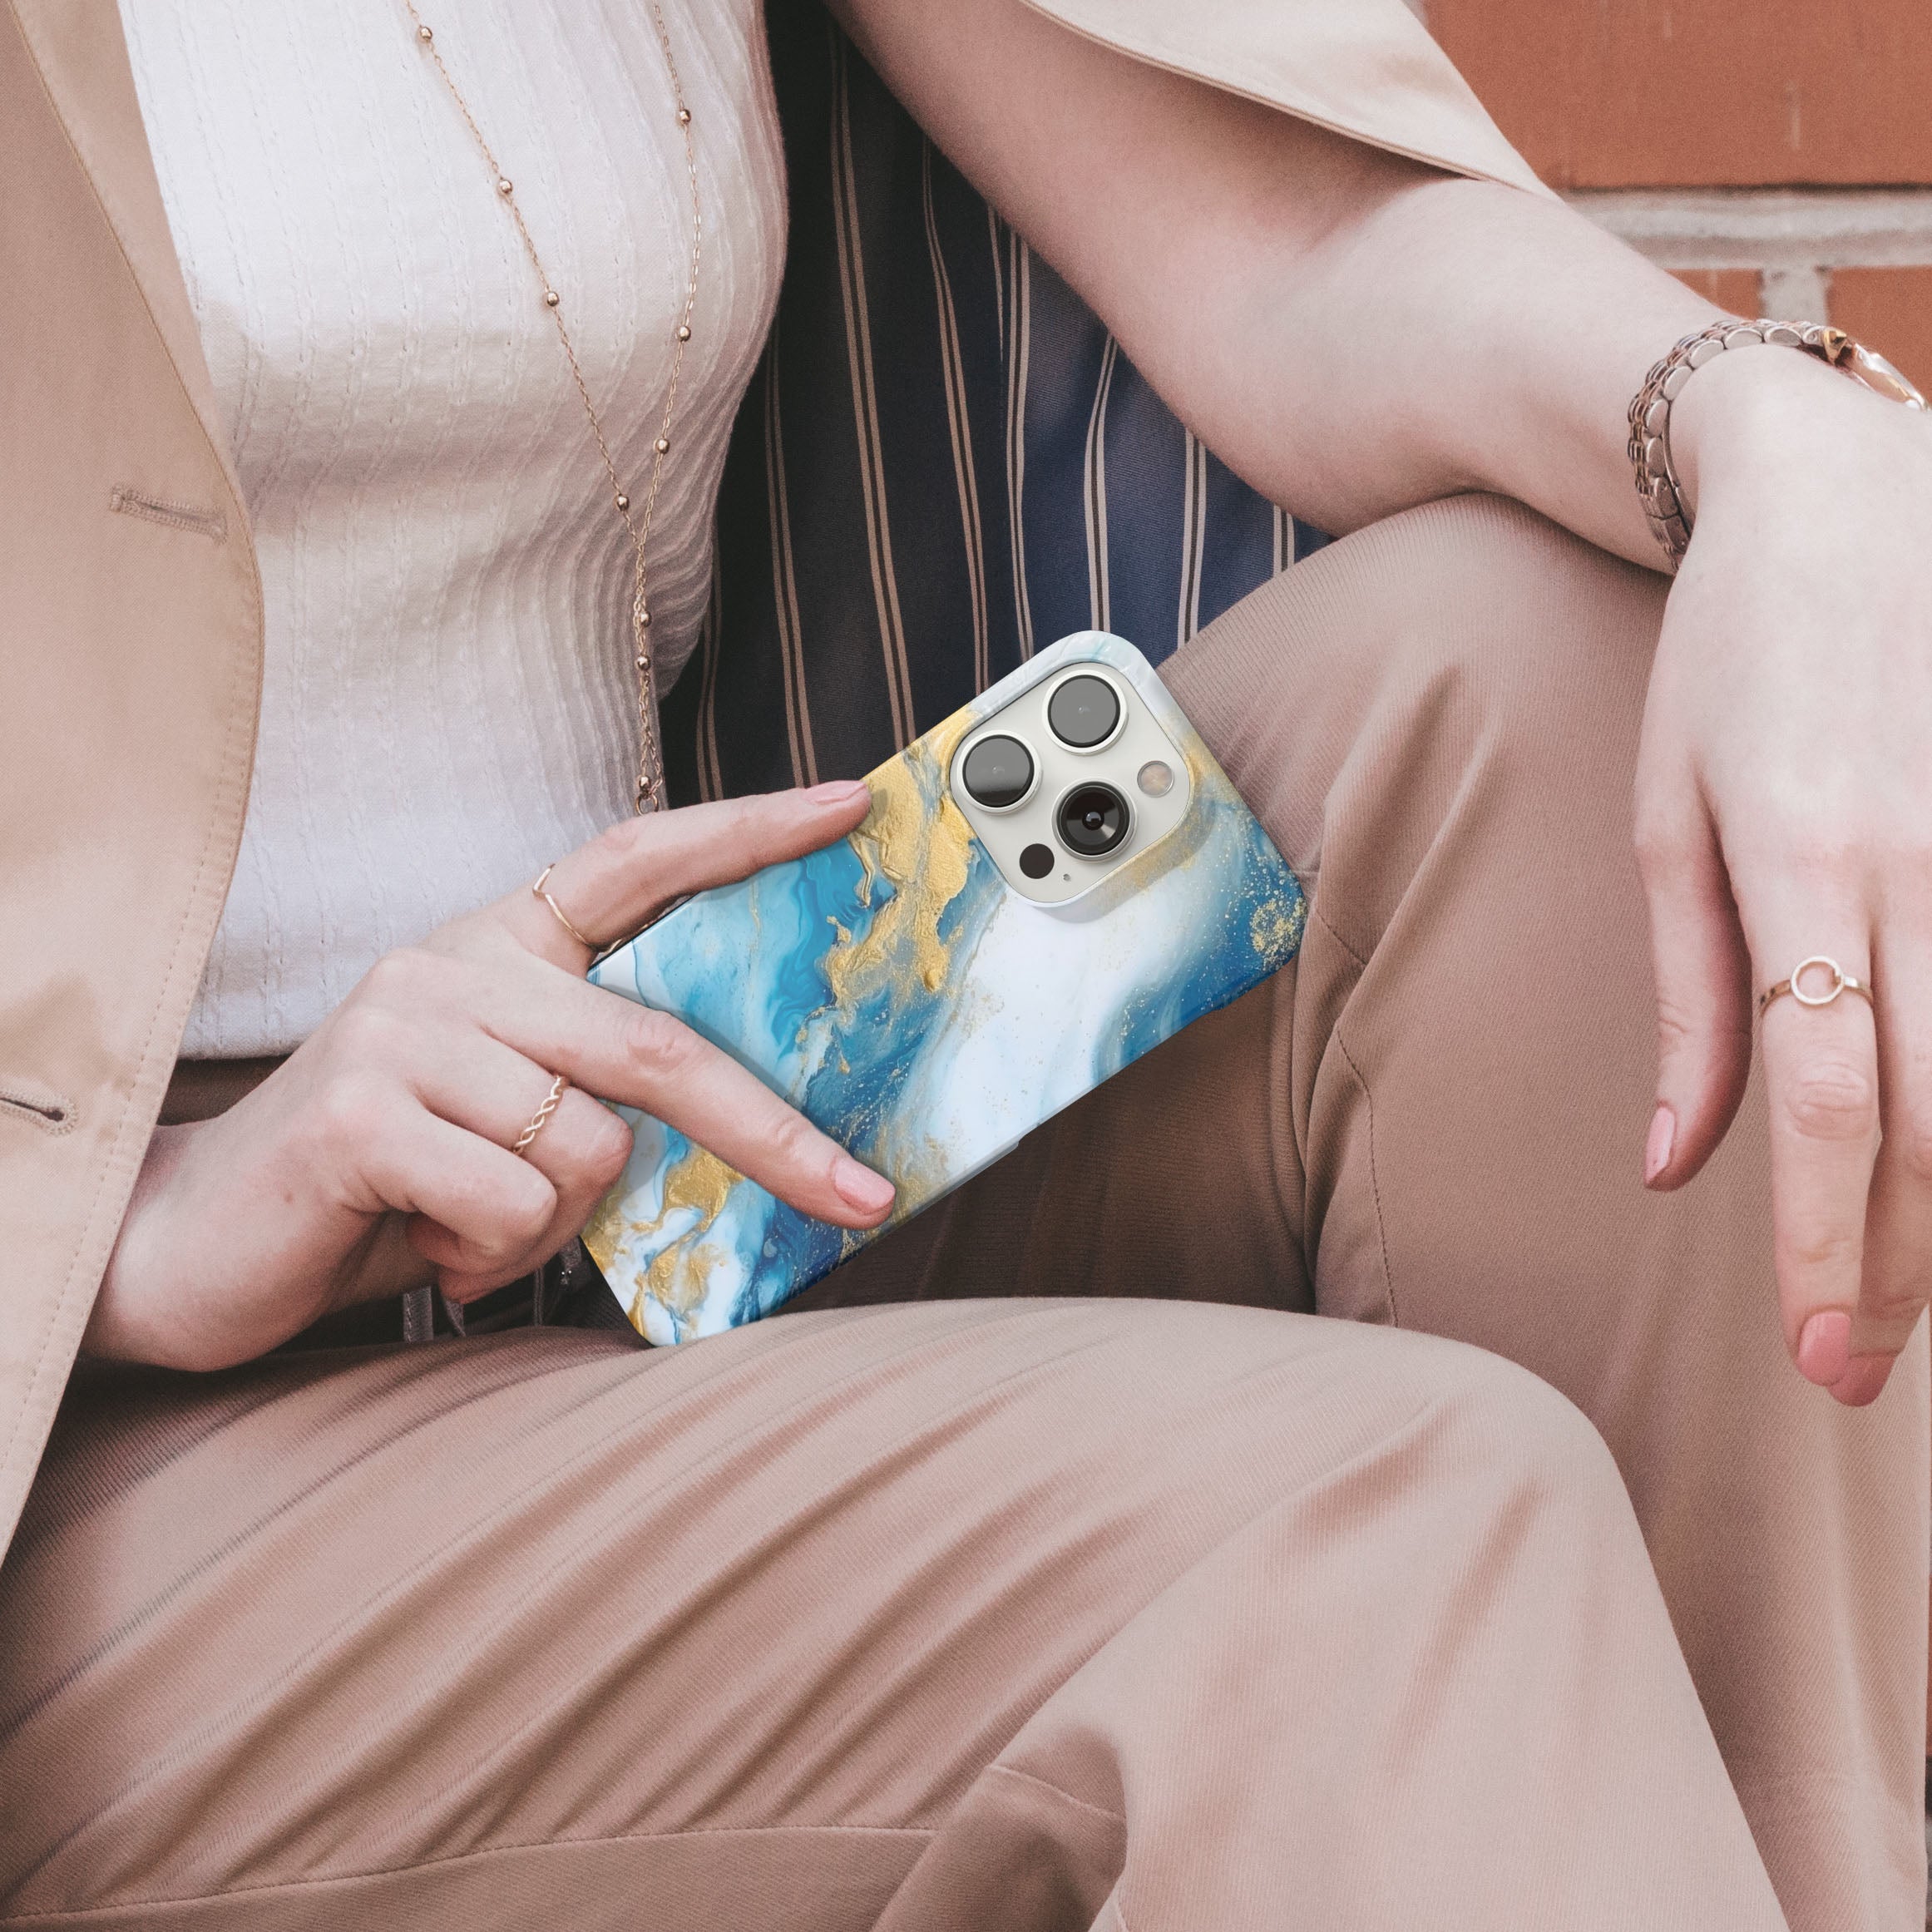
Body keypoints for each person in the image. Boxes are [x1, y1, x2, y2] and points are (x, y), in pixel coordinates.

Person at [0, 0, 1925, 1925]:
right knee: (1378, 1530)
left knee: (1572, 683)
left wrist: (1770, 437)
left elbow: (1297, 239)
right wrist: (139, 1214)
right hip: (95, 1437)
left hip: (666, 1123)